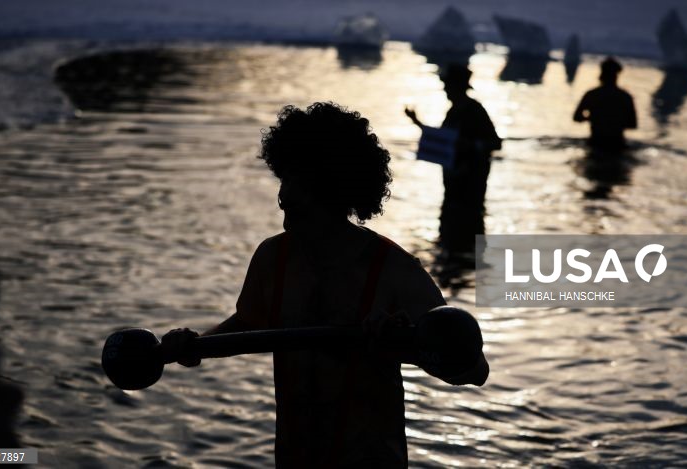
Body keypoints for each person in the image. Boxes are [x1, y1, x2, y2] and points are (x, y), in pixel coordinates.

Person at [161, 102, 488, 468]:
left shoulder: (395, 271)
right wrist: (194, 346)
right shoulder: (273, 258)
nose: (285, 222)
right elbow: (248, 326)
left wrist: (405, 341)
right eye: (283, 202)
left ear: (333, 195)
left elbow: (474, 371)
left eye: (296, 207)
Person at [405, 64, 501, 252]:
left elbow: (495, 142)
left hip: (470, 183)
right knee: (450, 229)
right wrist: (416, 122)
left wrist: (471, 145)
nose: (445, 89)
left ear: (458, 86)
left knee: (468, 229)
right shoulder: (454, 110)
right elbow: (442, 140)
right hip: (453, 183)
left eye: (448, 85)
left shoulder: (474, 110)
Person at [573, 57, 637, 150]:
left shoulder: (592, 95)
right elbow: (632, 124)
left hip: (595, 142)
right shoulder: (625, 97)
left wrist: (592, 117)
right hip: (618, 144)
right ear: (616, 75)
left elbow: (576, 117)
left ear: (601, 74)